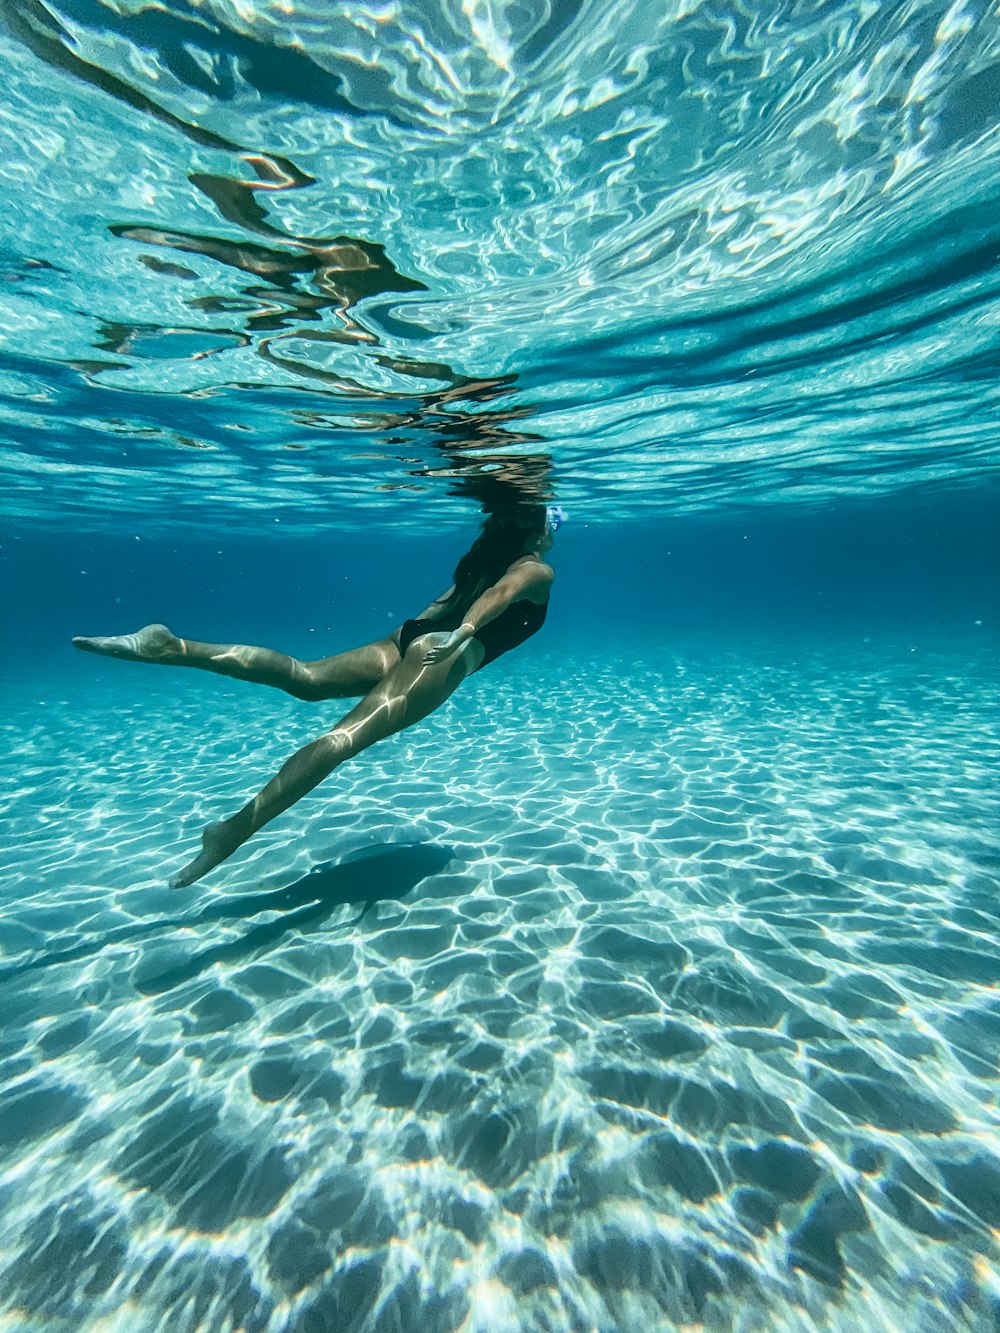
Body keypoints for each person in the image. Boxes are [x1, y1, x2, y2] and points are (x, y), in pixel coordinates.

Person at [73, 503, 564, 887]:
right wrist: (462, 636)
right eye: (555, 520)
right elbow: (502, 596)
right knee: (342, 741)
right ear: (537, 530)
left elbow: (441, 606)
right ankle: (232, 833)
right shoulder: (536, 568)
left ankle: (171, 646)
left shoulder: (482, 562)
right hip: (444, 649)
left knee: (305, 679)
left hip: (410, 637)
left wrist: (425, 637)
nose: (557, 529)